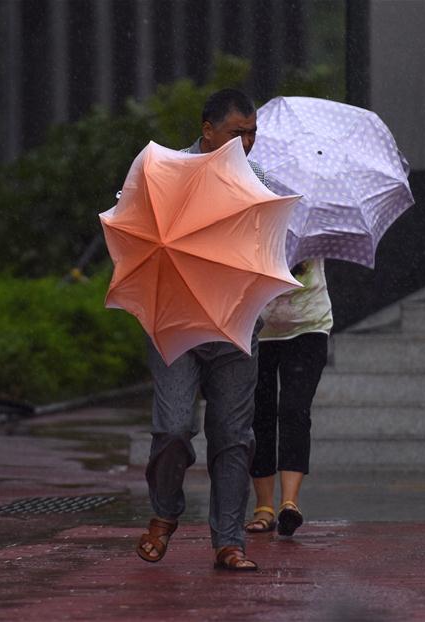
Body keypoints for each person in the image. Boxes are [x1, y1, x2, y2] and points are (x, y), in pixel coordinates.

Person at [136, 88, 266, 572]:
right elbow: (137, 236)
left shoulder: (261, 183)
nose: (247, 144)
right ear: (207, 129)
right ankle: (165, 513)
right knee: (172, 428)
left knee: (233, 436)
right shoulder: (164, 174)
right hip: (174, 322)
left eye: (252, 134)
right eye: (238, 133)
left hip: (235, 326)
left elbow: (272, 254)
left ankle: (229, 542)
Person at [244, 258, 332, 537]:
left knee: (295, 409)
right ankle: (264, 507)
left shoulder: (312, 218)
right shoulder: (250, 220)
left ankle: (289, 503)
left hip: (309, 326)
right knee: (260, 413)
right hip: (256, 327)